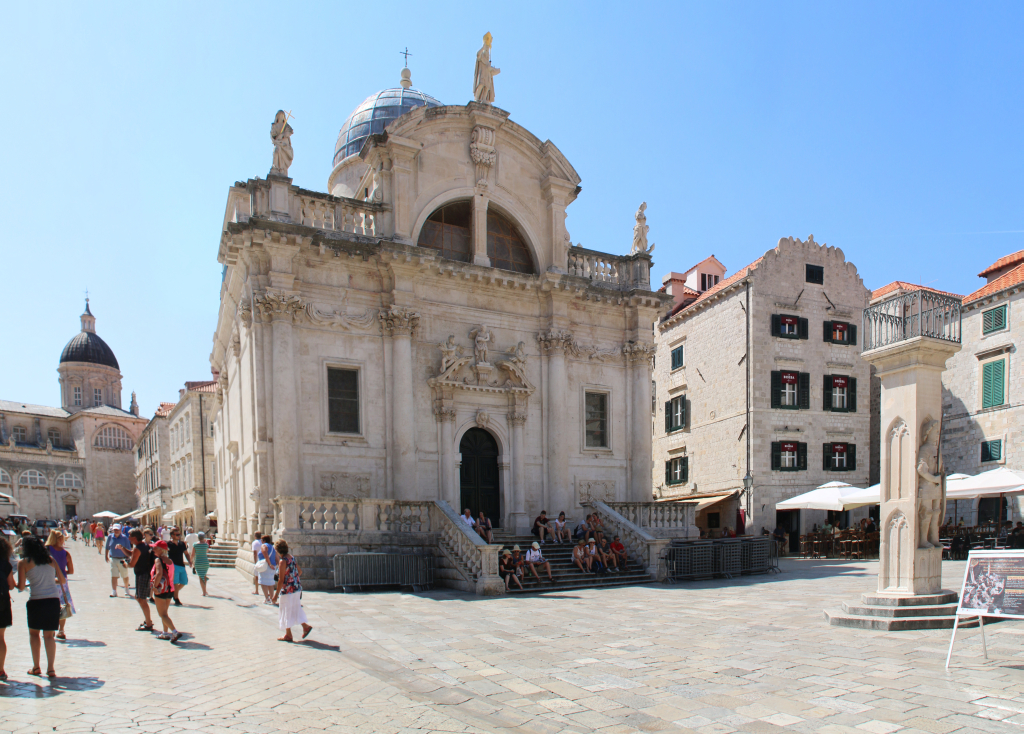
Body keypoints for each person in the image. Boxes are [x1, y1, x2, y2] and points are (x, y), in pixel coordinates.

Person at [18, 536, 66, 677]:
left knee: (34, 634)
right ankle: (50, 669)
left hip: (36, 600)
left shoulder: (23, 563)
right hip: (52, 601)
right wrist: (49, 580)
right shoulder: (50, 560)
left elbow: (21, 587)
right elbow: (62, 580)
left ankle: (36, 667)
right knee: (49, 636)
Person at [271, 539, 312, 642]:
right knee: (294, 608)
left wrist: (276, 595)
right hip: (296, 588)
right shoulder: (291, 558)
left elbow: (281, 580)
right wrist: (293, 578)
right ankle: (305, 627)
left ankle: (288, 635)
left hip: (287, 590)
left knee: (285, 610)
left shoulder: (283, 561)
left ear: (278, 550)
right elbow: (299, 571)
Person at [149, 541, 182, 643]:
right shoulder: (170, 561)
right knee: (165, 613)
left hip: (161, 589)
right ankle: (165, 633)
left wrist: (154, 587)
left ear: (160, 550)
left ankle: (174, 632)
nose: (153, 549)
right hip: (170, 589)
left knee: (162, 614)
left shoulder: (158, 560)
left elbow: (159, 574)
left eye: (155, 548)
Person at [45, 530, 75, 640]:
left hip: (48, 581)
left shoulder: (46, 550)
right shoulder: (66, 554)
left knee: (49, 606)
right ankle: (61, 631)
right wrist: (61, 571)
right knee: (62, 606)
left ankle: (51, 629)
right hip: (62, 583)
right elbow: (71, 571)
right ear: (61, 539)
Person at [126, 529, 155, 632]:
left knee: (142, 600)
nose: (128, 538)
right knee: (139, 598)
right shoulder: (143, 546)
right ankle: (148, 621)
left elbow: (131, 564)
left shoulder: (138, 548)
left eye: (130, 536)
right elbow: (132, 554)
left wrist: (125, 564)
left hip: (143, 575)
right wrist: (122, 549)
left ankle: (149, 623)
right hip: (144, 574)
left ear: (134, 538)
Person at [105, 524, 132, 598]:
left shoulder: (124, 538)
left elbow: (128, 549)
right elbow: (107, 547)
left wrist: (128, 559)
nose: (116, 531)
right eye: (115, 530)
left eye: (117, 530)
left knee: (124, 575)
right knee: (113, 575)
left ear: (120, 530)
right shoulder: (110, 537)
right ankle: (114, 591)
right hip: (113, 558)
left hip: (122, 559)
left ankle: (126, 589)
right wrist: (106, 556)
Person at [166, 528, 191, 606]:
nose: (178, 536)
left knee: (184, 582)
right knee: (175, 583)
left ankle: (173, 592)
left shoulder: (182, 544)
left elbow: (186, 553)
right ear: (172, 535)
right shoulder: (168, 544)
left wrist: (190, 561)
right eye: (177, 535)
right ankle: (176, 599)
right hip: (173, 566)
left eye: (179, 534)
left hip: (181, 565)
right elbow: (164, 554)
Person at [0, 535, 14, 680]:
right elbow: (11, 585)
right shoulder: (6, 564)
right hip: (2, 603)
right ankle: (0, 670)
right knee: (0, 638)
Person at [256, 534, 278, 603]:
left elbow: (265, 553)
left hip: (266, 566)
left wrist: (269, 563)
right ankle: (272, 598)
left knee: (263, 582)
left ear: (264, 540)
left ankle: (267, 598)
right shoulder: (273, 547)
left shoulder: (264, 546)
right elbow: (277, 557)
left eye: (262, 540)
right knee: (270, 583)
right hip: (272, 567)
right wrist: (276, 565)